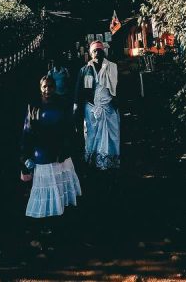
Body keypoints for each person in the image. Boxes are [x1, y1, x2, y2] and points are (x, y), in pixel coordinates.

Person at [21, 75, 81, 218]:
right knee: (45, 188)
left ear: (55, 88)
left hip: (59, 150)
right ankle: (45, 217)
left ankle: (60, 215)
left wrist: (66, 148)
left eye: (50, 86)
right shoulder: (33, 106)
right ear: (40, 88)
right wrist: (24, 155)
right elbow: (27, 130)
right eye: (44, 86)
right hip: (41, 151)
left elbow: (69, 128)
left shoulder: (63, 103)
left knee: (58, 187)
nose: (47, 89)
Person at [75, 40, 120, 169]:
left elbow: (118, 88)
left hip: (109, 109)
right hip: (91, 110)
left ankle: (109, 164)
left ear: (103, 52)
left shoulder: (112, 67)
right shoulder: (84, 70)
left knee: (111, 137)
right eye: (94, 51)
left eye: (99, 50)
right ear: (90, 53)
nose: (97, 53)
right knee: (92, 137)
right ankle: (92, 164)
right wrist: (76, 108)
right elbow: (78, 92)